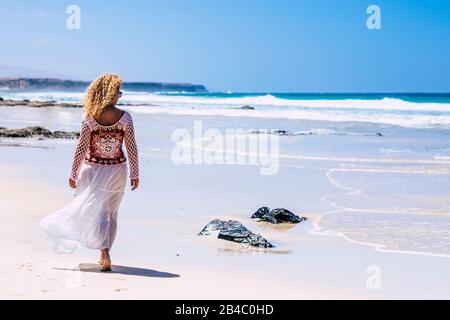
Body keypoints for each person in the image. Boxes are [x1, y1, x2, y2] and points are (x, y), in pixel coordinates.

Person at [39, 73, 139, 272]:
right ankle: (105, 251)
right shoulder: (125, 117)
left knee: (96, 213)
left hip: (93, 169)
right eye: (118, 91)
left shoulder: (90, 117)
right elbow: (132, 147)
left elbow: (81, 147)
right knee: (111, 214)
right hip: (117, 170)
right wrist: (135, 173)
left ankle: (104, 252)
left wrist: (73, 173)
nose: (120, 95)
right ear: (110, 93)